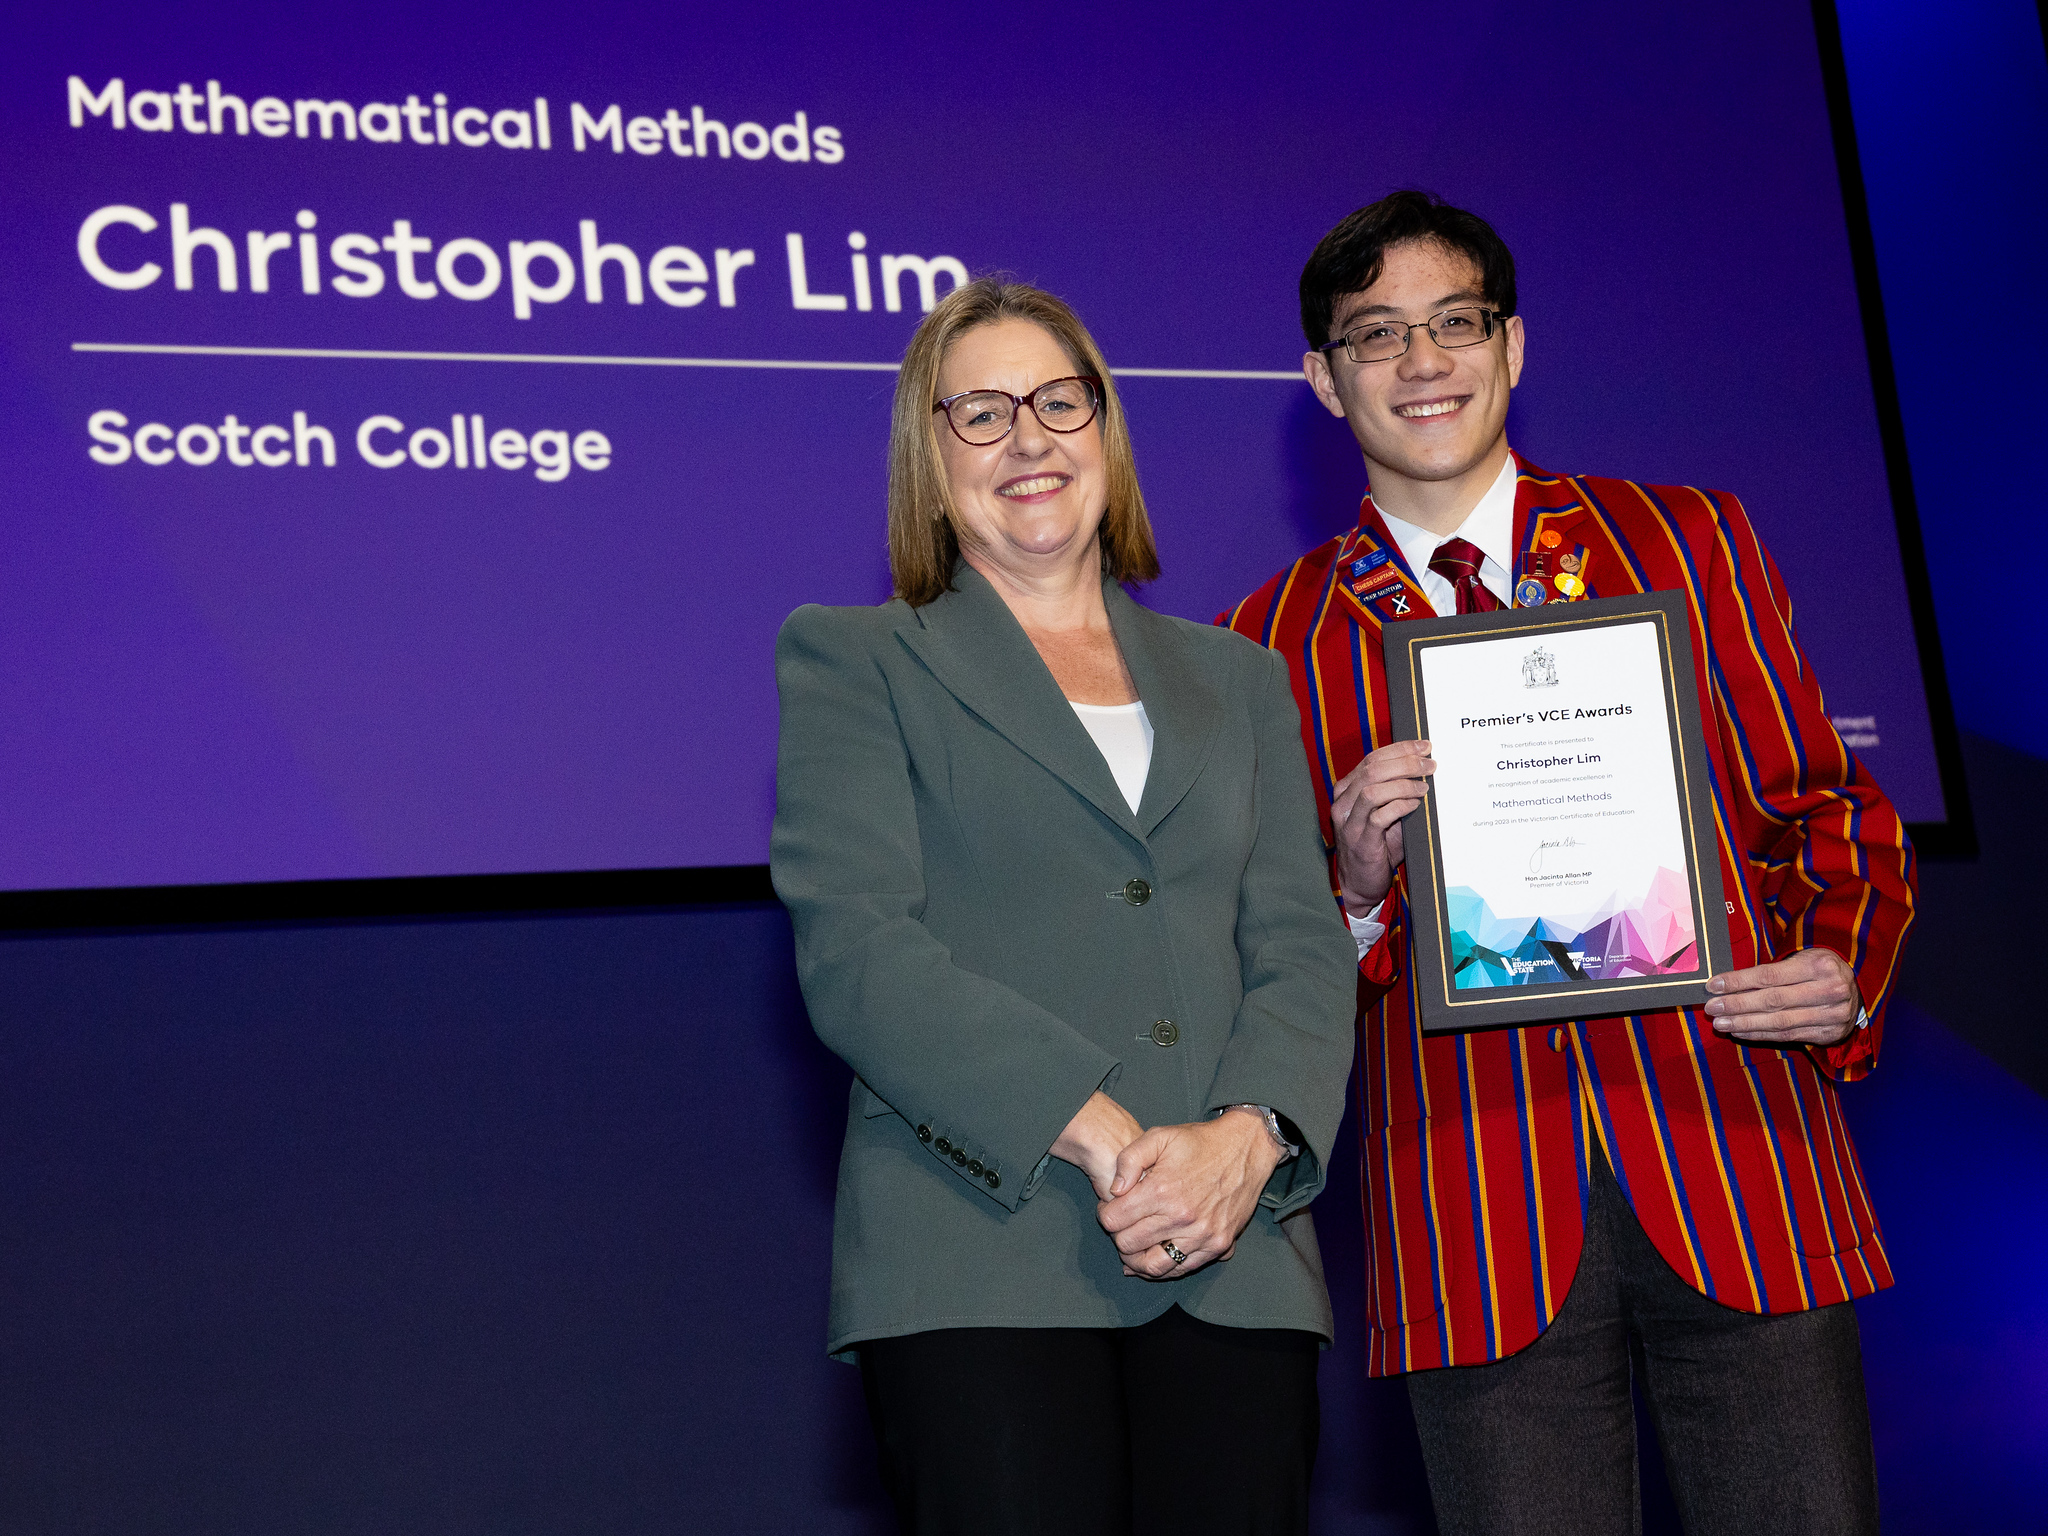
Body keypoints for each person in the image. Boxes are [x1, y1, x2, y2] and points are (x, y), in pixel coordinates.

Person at [1222, 193, 1915, 1536]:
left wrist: (1843, 979)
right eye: (1377, 336)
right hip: (1473, 1214)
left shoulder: (1685, 541)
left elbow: (1831, 815)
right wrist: (1354, 883)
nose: (1424, 363)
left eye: (1456, 322)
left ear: (1514, 345)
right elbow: (1267, 965)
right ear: (1323, 379)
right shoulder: (1262, 642)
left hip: (1738, 1161)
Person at [771, 278, 1357, 1536]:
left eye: (1055, 400)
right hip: (981, 1252)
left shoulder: (1242, 679)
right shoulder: (853, 659)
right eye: (978, 413)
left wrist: (1244, 1139)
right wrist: (1104, 1138)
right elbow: (860, 952)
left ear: (1106, 430)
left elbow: (1300, 948)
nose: (1026, 438)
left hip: (1230, 1255)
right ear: (929, 459)